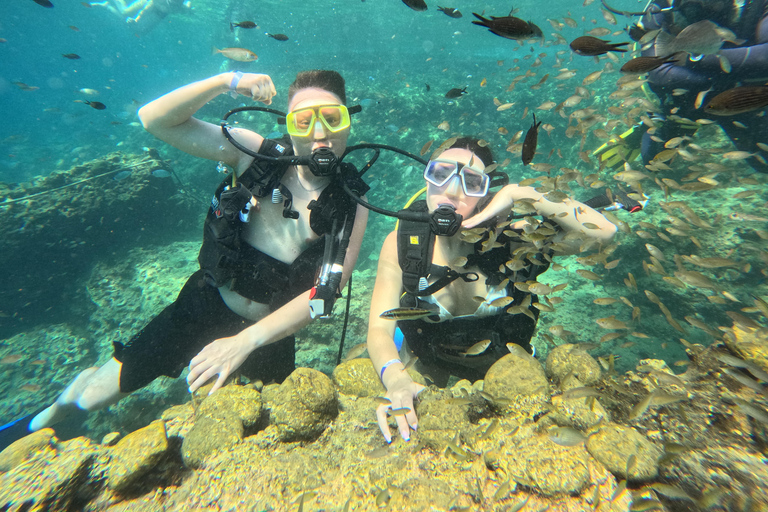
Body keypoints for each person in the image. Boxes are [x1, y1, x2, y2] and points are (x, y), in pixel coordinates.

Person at [0, 70, 368, 450]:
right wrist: (227, 80)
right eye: (303, 121)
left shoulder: (351, 203)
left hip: (269, 331)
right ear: (288, 126)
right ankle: (57, 407)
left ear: (348, 120)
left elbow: (326, 294)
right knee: (94, 398)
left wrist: (244, 342)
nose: (319, 133)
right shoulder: (254, 155)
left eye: (333, 117)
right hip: (205, 304)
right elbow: (155, 120)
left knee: (269, 431)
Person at [366, 137, 617, 443]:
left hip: (506, 373)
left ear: (486, 194)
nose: (452, 190)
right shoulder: (401, 244)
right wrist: (396, 380)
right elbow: (378, 328)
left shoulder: (513, 240)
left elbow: (605, 232)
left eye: (471, 182)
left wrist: (521, 194)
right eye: (441, 173)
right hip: (427, 365)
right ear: (427, 176)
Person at [596, 0, 768, 172]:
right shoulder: (660, 8)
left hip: (746, 99)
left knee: (763, 163)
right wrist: (724, 75)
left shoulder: (758, 5)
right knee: (653, 161)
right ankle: (655, 121)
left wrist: (695, 58)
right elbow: (660, 74)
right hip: (685, 102)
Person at [89, 0, 189, 33]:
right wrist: (136, 19)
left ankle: (107, 7)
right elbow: (144, 10)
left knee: (140, 30)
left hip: (158, 13)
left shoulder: (179, 7)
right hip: (147, 2)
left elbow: (187, 7)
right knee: (124, 12)